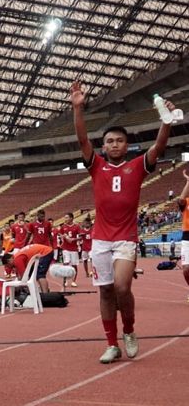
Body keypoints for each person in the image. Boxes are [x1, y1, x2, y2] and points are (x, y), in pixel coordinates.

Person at [71, 80, 170, 364]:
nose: (115, 145)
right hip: (100, 238)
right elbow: (81, 140)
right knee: (104, 291)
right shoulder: (97, 166)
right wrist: (78, 108)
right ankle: (111, 343)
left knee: (122, 287)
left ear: (128, 145)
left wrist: (166, 122)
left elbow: (160, 145)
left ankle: (128, 330)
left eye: (120, 140)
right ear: (104, 146)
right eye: (110, 141)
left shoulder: (137, 165)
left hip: (125, 237)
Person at [176, 170, 189, 303]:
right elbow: (180, 200)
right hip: (187, 238)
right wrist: (188, 181)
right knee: (186, 269)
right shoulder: (186, 202)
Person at [60, 212, 81, 287]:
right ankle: (65, 280)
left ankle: (73, 281)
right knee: (66, 263)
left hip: (74, 248)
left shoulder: (77, 226)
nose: (65, 219)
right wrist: (64, 237)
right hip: (65, 248)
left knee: (74, 265)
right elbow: (61, 234)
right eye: (65, 217)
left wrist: (73, 239)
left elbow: (81, 237)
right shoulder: (63, 227)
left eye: (67, 217)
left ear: (71, 218)